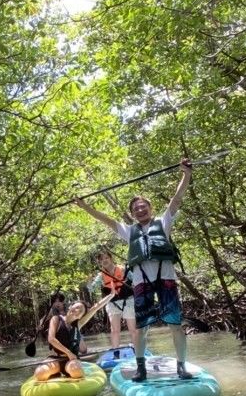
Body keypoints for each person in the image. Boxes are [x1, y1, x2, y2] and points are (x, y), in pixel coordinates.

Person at [74, 158, 194, 381]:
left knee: (175, 325)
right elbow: (106, 220)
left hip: (166, 280)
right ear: (132, 213)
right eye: (136, 208)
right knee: (141, 329)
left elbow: (177, 200)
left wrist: (185, 174)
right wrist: (84, 206)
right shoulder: (129, 231)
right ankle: (141, 368)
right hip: (141, 283)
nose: (140, 210)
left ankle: (181, 366)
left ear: (150, 208)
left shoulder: (164, 221)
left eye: (143, 206)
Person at [87, 250, 137, 348]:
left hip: (128, 301)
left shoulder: (122, 269)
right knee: (114, 330)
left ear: (111, 258)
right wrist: (89, 281)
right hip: (113, 303)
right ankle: (116, 352)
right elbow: (91, 289)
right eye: (101, 259)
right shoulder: (101, 275)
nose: (104, 261)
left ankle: (138, 351)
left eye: (106, 258)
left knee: (132, 329)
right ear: (99, 262)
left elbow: (136, 280)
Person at [33, 300, 90, 381]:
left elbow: (95, 308)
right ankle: (56, 373)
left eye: (81, 311)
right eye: (77, 307)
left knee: (76, 371)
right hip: (56, 358)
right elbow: (51, 339)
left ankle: (71, 372)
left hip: (71, 360)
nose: (77, 310)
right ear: (70, 307)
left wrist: (111, 295)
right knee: (40, 373)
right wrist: (68, 353)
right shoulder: (56, 319)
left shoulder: (77, 325)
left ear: (81, 316)